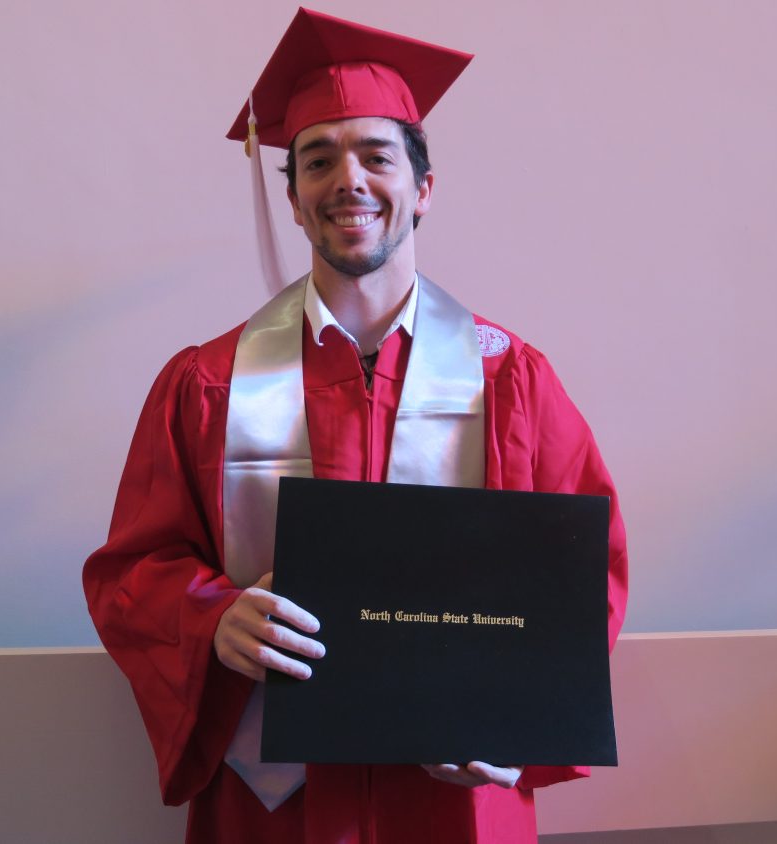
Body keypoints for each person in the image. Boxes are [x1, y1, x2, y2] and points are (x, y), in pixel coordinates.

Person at [82, 9, 628, 843]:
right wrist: (210, 618)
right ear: (295, 200)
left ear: (424, 189)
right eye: (317, 159)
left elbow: (587, 578)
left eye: (377, 155)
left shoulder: (510, 379)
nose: (349, 180)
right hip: (279, 807)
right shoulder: (209, 384)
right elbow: (132, 574)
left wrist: (514, 724)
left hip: (455, 801)